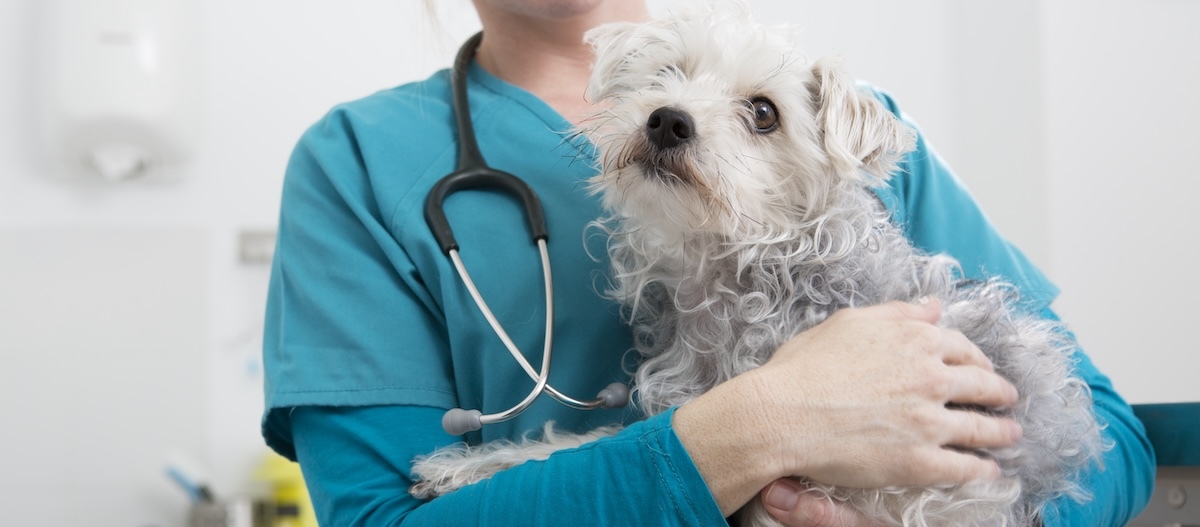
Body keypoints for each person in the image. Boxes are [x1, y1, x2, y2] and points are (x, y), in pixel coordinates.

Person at [260, 1, 1155, 525]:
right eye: (665, 83)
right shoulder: (357, 163)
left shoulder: (852, 151)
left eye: (759, 114)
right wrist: (763, 422)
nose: (679, 114)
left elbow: (1103, 444)